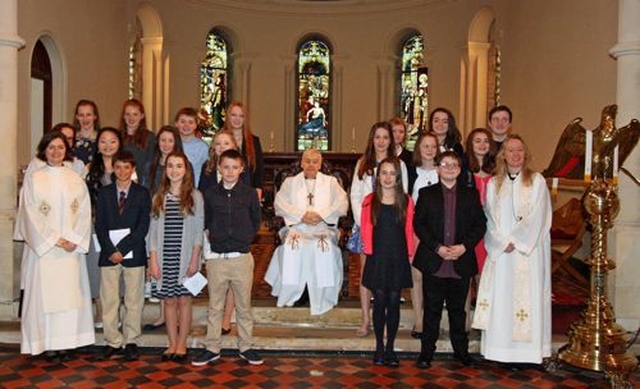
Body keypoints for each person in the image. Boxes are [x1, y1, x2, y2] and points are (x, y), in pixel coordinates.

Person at [473, 134, 552, 366]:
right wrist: (500, 241)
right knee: (502, 300)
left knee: (528, 298)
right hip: (502, 253)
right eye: (510, 151)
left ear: (525, 154)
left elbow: (540, 215)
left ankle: (527, 354)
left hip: (528, 252)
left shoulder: (537, 181)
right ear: (503, 155)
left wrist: (516, 241)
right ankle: (499, 350)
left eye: (519, 151)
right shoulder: (495, 183)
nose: (515, 155)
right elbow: (487, 217)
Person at [18, 131, 94, 362]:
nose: (56, 151)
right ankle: (47, 342)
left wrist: (74, 239)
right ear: (44, 150)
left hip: (70, 251)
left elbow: (84, 211)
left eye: (60, 147)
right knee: (45, 297)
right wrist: (54, 239)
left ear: (66, 150)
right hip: (45, 252)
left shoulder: (75, 179)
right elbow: (29, 214)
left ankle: (67, 343)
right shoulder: (35, 178)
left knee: (69, 296)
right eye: (51, 147)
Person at [413, 151, 486, 369]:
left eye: (454, 165)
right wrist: (437, 247)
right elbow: (419, 224)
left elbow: (480, 224)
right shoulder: (427, 194)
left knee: (458, 310)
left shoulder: (471, 194)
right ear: (438, 169)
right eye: (445, 164)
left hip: (459, 260)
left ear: (460, 169)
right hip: (435, 260)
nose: (450, 168)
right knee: (432, 309)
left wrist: (464, 247)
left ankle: (461, 352)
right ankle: (426, 353)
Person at [192, 149, 263, 367]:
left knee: (244, 305)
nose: (230, 171)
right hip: (217, 258)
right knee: (215, 306)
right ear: (219, 168)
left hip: (241, 257)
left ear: (241, 169)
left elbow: (255, 220)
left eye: (235, 167)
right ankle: (212, 347)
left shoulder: (249, 194)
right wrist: (216, 239)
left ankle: (246, 346)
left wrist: (244, 238)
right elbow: (206, 221)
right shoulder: (211, 194)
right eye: (226, 167)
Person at [265, 148, 349, 315]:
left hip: (323, 227)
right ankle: (295, 294)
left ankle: (320, 295)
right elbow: (279, 204)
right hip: (298, 226)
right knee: (292, 246)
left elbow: (342, 203)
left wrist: (321, 215)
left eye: (315, 161)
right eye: (307, 161)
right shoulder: (290, 182)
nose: (311, 164)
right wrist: (301, 215)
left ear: (320, 164)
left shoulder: (331, 182)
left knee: (321, 248)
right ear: (301, 163)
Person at [350, 122, 408, 337]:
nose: (381, 141)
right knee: (368, 275)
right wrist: (364, 220)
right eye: (377, 137)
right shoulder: (362, 163)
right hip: (366, 225)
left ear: (391, 140)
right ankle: (366, 319)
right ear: (372, 139)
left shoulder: (399, 165)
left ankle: (385, 321)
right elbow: (355, 195)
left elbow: (404, 195)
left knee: (390, 278)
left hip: (391, 228)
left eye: (385, 137)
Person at [95, 150, 151, 361]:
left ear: (132, 169)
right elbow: (99, 225)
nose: (122, 171)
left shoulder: (142, 193)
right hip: (109, 254)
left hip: (133, 252)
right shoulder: (105, 193)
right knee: (109, 299)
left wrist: (124, 249)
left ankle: (131, 340)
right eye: (118, 167)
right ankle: (112, 341)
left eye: (126, 167)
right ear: (113, 169)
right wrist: (111, 250)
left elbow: (143, 226)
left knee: (133, 299)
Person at [148, 152, 204, 362]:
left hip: (185, 257)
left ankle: (182, 344)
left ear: (186, 169)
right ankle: (171, 343)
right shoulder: (158, 197)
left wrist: (194, 259)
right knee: (169, 301)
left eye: (178, 166)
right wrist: (152, 259)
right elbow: (152, 233)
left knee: (184, 300)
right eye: (170, 166)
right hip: (164, 256)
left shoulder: (195, 196)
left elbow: (198, 231)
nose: (174, 170)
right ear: (166, 170)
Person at [361, 157, 415, 367]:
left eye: (392, 173)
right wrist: (369, 253)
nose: (388, 177)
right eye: (384, 173)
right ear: (378, 176)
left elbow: (409, 229)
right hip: (378, 256)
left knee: (394, 303)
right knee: (380, 301)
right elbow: (366, 228)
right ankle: (379, 347)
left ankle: (391, 347)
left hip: (398, 256)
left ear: (398, 177)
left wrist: (409, 255)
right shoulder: (369, 199)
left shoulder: (406, 200)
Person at [198, 130, 250, 335]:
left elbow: (251, 210)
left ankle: (226, 319)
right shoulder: (208, 169)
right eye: (217, 144)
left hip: (236, 236)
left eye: (226, 143)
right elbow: (203, 199)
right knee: (217, 278)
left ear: (234, 146)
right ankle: (215, 316)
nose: (221, 147)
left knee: (233, 280)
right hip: (213, 233)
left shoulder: (240, 171)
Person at [141, 125, 184, 332]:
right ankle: (161, 314)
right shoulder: (150, 165)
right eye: (163, 140)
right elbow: (144, 191)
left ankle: (175, 314)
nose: (166, 144)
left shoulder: (182, 164)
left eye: (170, 140)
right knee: (159, 266)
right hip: (155, 216)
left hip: (176, 220)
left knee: (176, 268)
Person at [85, 127, 123, 329]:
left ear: (119, 144)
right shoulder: (89, 169)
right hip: (95, 226)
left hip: (119, 228)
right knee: (97, 269)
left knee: (117, 268)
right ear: (98, 145)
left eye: (113, 141)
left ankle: (115, 311)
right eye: (103, 141)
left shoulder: (126, 168)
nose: (108, 145)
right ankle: (100, 311)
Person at [408, 132, 440, 339]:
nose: (429, 150)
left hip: (438, 231)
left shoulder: (443, 171)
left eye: (433, 146)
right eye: (425, 146)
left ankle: (432, 320)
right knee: (416, 276)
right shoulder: (411, 172)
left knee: (434, 277)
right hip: (415, 229)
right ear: (419, 149)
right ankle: (419, 321)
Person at [464, 128, 496, 274]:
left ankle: (481, 298)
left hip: (491, 226)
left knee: (485, 271)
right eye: (477, 141)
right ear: (470, 144)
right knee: (468, 271)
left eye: (486, 141)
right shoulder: (463, 170)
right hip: (470, 226)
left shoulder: (497, 170)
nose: (482, 145)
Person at [222, 102, 264, 199]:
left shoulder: (254, 141)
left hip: (248, 191)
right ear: (228, 117)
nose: (237, 119)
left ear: (245, 119)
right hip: (224, 190)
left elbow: (259, 169)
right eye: (234, 115)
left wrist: (258, 190)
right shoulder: (221, 139)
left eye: (241, 116)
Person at [119, 99, 157, 180]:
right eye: (127, 114)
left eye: (135, 114)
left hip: (142, 182)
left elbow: (151, 164)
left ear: (142, 116)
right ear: (123, 116)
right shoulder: (116, 136)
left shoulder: (150, 137)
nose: (131, 118)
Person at [175, 107, 209, 187]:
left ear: (196, 125)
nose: (186, 125)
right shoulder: (172, 144)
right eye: (182, 121)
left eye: (190, 122)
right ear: (176, 123)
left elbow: (207, 171)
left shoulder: (203, 147)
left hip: (194, 189)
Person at [73, 99, 101, 165]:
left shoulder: (102, 139)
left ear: (95, 116)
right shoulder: (71, 139)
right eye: (81, 115)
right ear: (77, 117)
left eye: (88, 115)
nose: (85, 119)